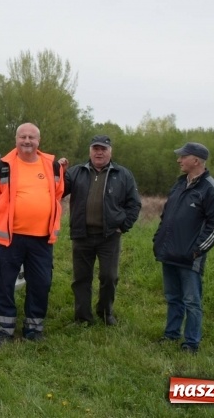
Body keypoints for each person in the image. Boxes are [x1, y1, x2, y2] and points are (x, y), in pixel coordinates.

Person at [0, 123, 64, 348]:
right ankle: (5, 330)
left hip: (42, 239)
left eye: (31, 137)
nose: (27, 141)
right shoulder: (0, 167)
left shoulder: (53, 166)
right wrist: (8, 214)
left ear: (39, 141)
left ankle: (33, 329)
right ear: (16, 139)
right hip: (11, 238)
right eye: (22, 137)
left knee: (41, 284)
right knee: (5, 284)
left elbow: (57, 194)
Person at [59, 135, 141, 326]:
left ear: (110, 152)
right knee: (81, 278)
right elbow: (58, 191)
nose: (99, 152)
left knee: (109, 277)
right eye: (95, 148)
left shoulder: (123, 174)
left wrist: (123, 226)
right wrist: (60, 172)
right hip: (82, 234)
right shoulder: (76, 172)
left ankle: (105, 313)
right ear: (90, 151)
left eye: (103, 149)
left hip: (109, 236)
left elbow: (134, 204)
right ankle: (82, 318)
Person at [153, 142, 214, 353]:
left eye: (183, 157)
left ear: (196, 160)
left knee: (192, 301)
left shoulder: (210, 188)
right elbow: (166, 216)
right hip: (169, 253)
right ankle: (171, 335)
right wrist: (159, 240)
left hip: (190, 257)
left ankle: (191, 343)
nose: (179, 160)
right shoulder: (179, 184)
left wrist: (196, 250)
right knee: (173, 298)